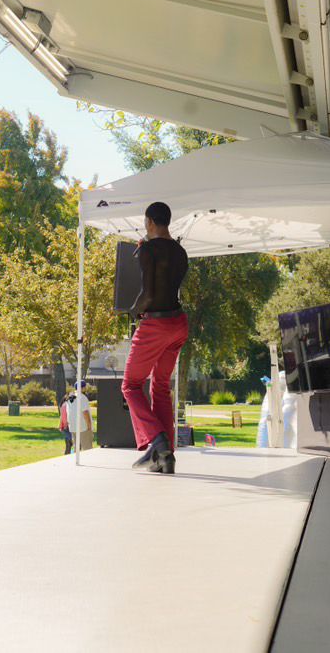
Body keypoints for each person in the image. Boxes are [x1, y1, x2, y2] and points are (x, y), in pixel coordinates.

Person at [122, 202, 189, 474]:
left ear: (149, 221)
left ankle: (158, 441)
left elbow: (148, 294)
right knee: (160, 386)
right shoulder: (181, 252)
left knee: (130, 386)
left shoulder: (147, 250)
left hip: (156, 325)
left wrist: (132, 311)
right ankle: (165, 456)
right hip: (178, 324)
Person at [65, 380, 93, 452]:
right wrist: (89, 426)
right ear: (83, 388)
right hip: (83, 427)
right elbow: (85, 413)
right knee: (87, 449)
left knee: (76, 450)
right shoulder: (82, 397)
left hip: (73, 427)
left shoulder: (70, 398)